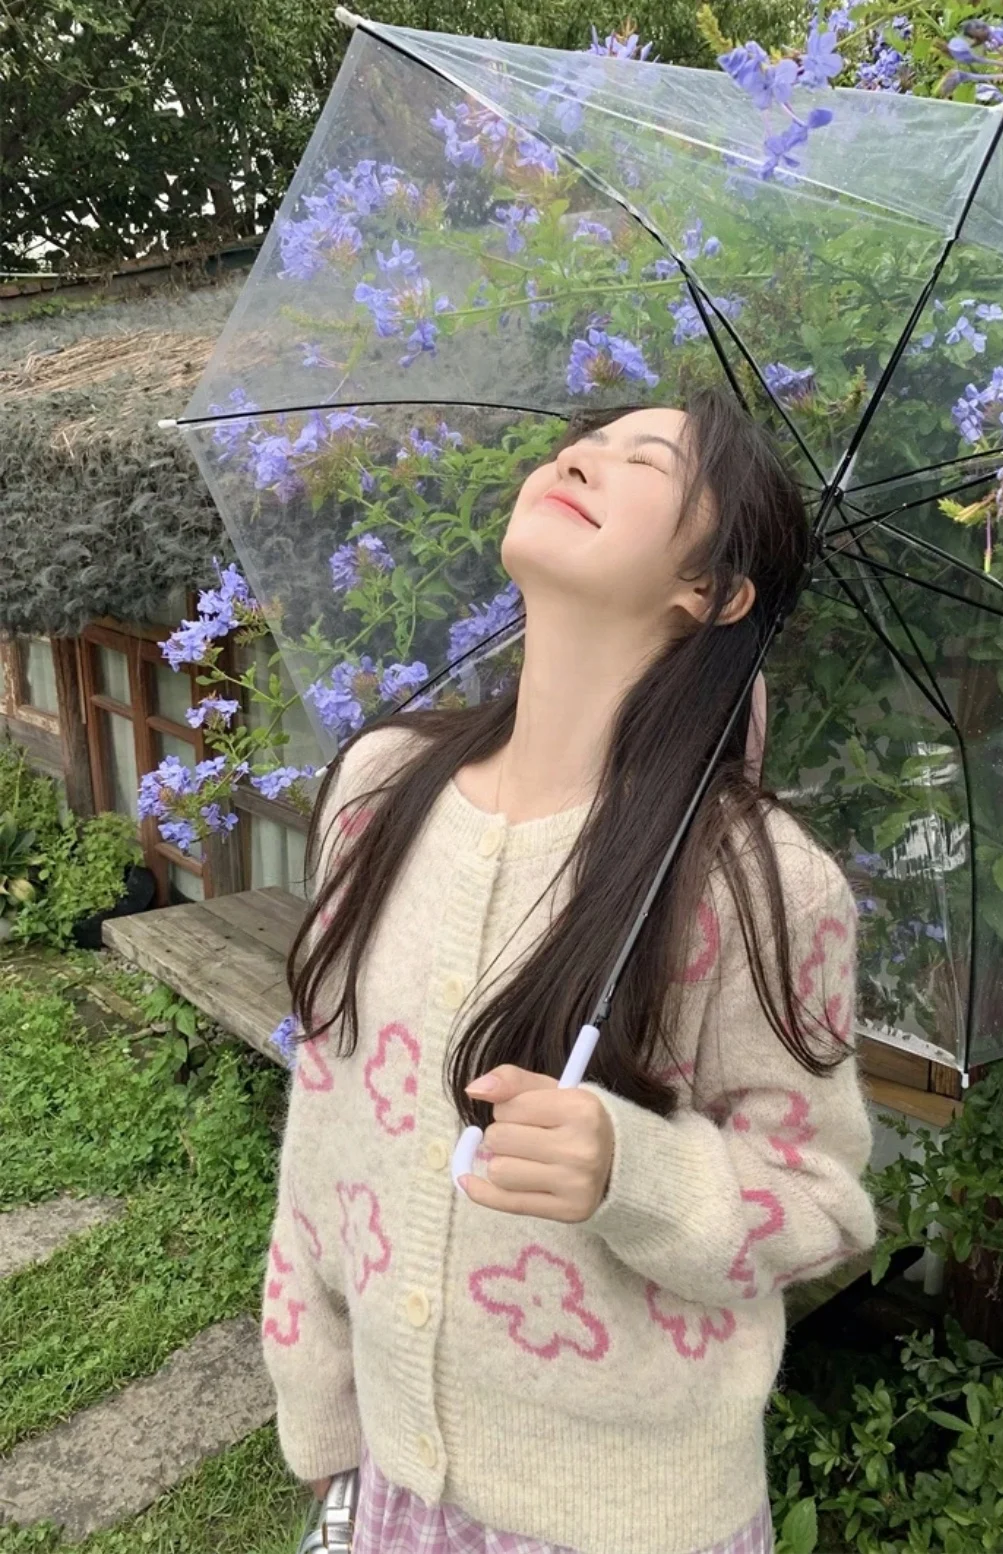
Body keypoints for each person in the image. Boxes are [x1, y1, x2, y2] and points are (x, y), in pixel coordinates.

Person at [261, 386, 880, 1554]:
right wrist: (323, 1420)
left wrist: (631, 1173)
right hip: (390, 1487)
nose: (583, 459)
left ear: (712, 593)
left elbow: (820, 1203)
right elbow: (324, 1132)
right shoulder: (379, 790)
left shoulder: (759, 885)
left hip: (633, 1522)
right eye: (584, 442)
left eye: (647, 460)